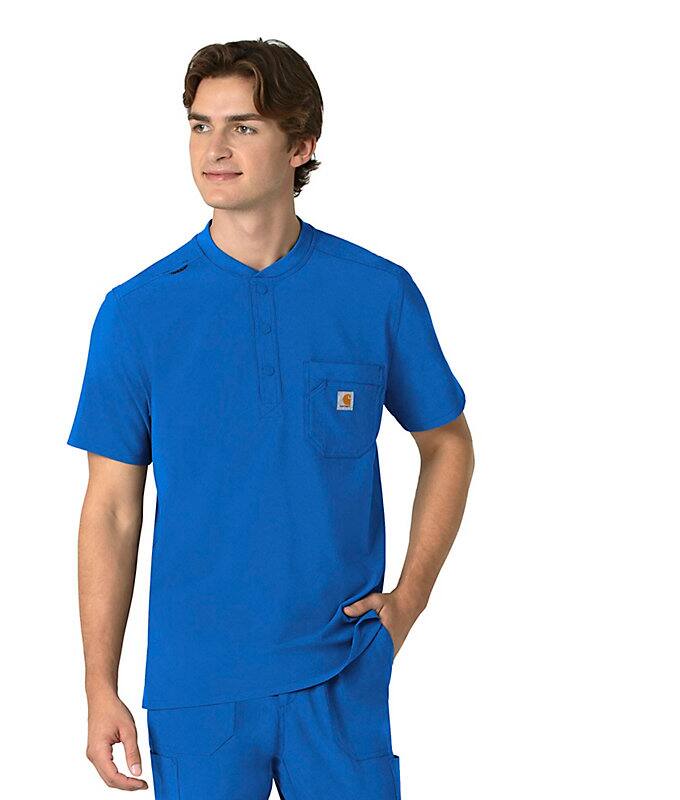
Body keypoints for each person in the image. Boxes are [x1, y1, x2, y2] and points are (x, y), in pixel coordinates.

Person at [67, 37, 475, 799]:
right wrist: (99, 683)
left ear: (301, 145)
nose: (214, 149)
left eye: (243, 127)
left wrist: (409, 599)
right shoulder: (137, 312)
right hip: (196, 685)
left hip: (341, 668)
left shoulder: (376, 292)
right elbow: (112, 509)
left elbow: (447, 443)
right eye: (200, 125)